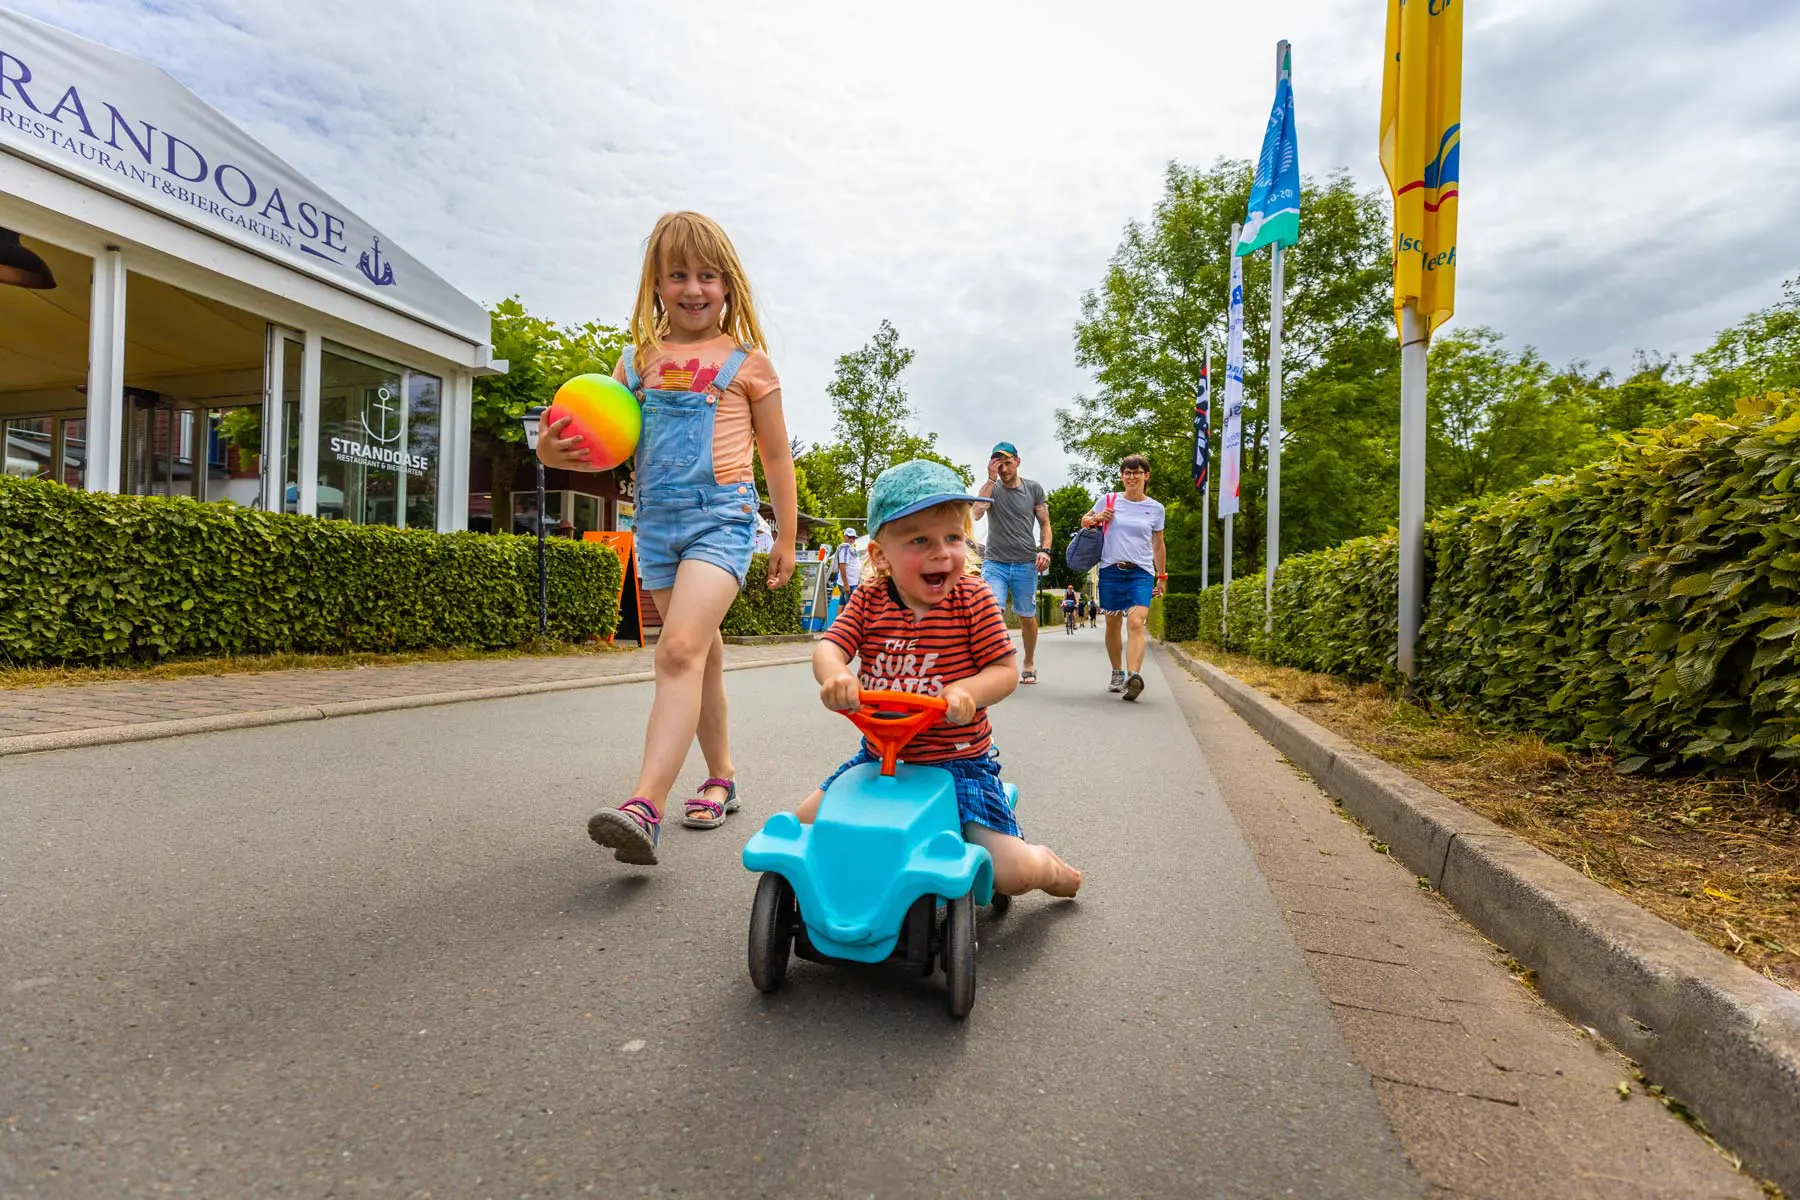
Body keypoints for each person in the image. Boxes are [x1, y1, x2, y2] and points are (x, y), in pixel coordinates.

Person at [538, 211, 798, 863]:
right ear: (656, 283)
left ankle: (645, 804)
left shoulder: (749, 364)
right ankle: (722, 776)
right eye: (677, 274)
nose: (693, 288)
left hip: (723, 518)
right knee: (700, 656)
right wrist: (551, 451)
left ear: (729, 285)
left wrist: (787, 537)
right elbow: (598, 445)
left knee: (676, 653)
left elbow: (775, 458)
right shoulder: (637, 361)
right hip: (653, 523)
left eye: (707, 275)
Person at [799, 460, 1082, 899]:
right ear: (880, 555)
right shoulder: (871, 599)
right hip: (880, 759)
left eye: (953, 537)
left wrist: (968, 690)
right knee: (805, 825)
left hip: (959, 765)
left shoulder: (973, 598)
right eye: (920, 541)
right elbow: (830, 646)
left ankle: (1050, 867)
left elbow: (1005, 670)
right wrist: (835, 674)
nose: (942, 552)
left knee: (1013, 874)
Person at [1081, 454, 1166, 702]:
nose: (1131, 477)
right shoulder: (1108, 500)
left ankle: (1133, 676)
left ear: (1146, 476)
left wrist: (1162, 576)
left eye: (1137, 472)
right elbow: (1085, 520)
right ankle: (1117, 672)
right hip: (1110, 569)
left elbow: (1158, 544)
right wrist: (1096, 518)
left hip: (1141, 572)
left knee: (1137, 622)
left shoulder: (1155, 508)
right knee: (1113, 623)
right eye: (1127, 473)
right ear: (1122, 476)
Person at [975, 442, 1052, 684]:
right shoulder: (992, 489)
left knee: (1026, 616)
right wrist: (989, 480)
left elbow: (1045, 524)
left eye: (1007, 462)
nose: (1004, 468)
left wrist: (1045, 551)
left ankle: (1028, 661)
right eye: (998, 463)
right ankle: (995, 661)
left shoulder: (1033, 489)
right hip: (995, 561)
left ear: (1017, 462)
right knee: (991, 610)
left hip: (1025, 563)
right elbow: (976, 512)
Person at [833, 526, 862, 595]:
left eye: (853, 537)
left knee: (842, 605)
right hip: (849, 584)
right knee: (851, 606)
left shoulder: (850, 548)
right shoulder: (845, 547)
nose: (851, 539)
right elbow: (842, 566)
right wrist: (846, 585)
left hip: (850, 583)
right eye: (849, 537)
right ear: (845, 536)